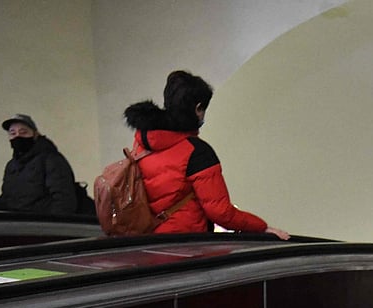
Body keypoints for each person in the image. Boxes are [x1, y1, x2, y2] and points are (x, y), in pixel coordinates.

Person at [122, 70, 288, 238]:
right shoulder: (197, 152)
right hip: (186, 246)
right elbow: (220, 212)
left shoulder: (142, 144)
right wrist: (261, 228)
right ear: (197, 108)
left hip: (148, 243)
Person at [0, 114, 78, 215]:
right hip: (18, 226)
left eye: (23, 132)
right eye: (12, 133)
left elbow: (64, 202)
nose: (17, 136)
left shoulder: (51, 160)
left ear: (35, 135)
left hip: (39, 226)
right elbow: (7, 201)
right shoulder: (11, 166)